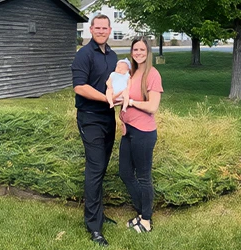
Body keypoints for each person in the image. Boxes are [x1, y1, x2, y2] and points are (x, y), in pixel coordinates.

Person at [70, 14, 118, 247]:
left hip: (109, 118)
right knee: (95, 169)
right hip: (90, 119)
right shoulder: (84, 54)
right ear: (91, 29)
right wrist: (106, 99)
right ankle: (93, 226)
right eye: (97, 27)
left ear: (110, 30)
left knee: (101, 168)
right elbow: (80, 87)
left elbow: (118, 83)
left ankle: (98, 214)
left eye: (104, 28)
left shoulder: (112, 55)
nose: (100, 31)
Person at [118, 37, 163, 233]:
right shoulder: (132, 73)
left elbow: (152, 106)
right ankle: (142, 212)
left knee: (143, 176)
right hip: (128, 131)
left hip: (144, 133)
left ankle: (146, 220)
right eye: (135, 49)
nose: (138, 53)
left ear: (148, 52)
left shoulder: (152, 74)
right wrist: (122, 117)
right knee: (125, 172)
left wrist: (132, 104)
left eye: (142, 50)